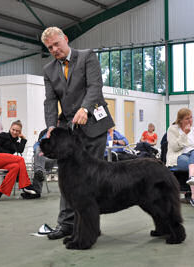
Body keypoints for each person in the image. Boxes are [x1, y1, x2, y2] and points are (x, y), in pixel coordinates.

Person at [41, 26, 114, 239]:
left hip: (93, 125)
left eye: (57, 44)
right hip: (68, 132)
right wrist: (51, 126)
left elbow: (95, 86)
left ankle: (89, 227)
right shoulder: (48, 70)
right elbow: (50, 100)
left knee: (90, 179)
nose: (54, 49)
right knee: (68, 178)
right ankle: (66, 225)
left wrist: (85, 108)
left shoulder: (87, 57)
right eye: (49, 47)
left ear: (65, 39)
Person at [0, 120, 37, 201]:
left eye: (17, 131)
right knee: (20, 159)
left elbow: (20, 150)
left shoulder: (15, 142)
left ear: (20, 132)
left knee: (15, 167)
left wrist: (23, 139)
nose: (14, 132)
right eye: (13, 129)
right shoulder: (3, 135)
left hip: (4, 163)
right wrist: (8, 155)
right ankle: (26, 185)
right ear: (10, 128)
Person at [166, 108, 194, 207]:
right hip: (178, 156)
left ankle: (192, 180)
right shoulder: (172, 129)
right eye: (187, 118)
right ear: (180, 120)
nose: (190, 120)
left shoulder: (193, 129)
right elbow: (175, 147)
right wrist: (185, 134)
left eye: (191, 117)